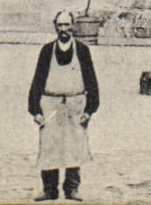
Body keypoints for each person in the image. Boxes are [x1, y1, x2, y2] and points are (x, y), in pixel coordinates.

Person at [26, 12, 99, 202]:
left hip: (75, 104)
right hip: (50, 104)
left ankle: (72, 188)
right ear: (55, 26)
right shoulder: (46, 50)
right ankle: (49, 190)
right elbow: (37, 80)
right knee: (49, 146)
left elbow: (91, 80)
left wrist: (89, 110)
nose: (64, 29)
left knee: (74, 146)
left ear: (73, 25)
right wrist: (35, 110)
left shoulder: (82, 50)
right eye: (60, 25)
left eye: (67, 24)